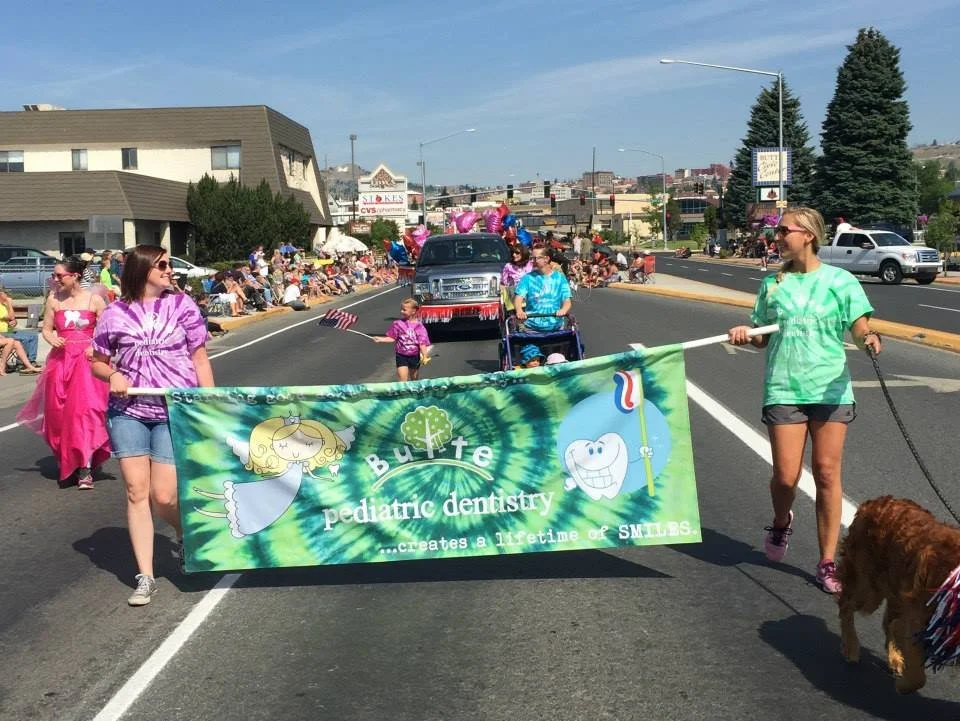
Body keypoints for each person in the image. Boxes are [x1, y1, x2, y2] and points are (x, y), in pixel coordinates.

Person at [727, 207, 881, 595]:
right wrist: (747, 333)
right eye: (776, 232)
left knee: (828, 474)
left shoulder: (840, 282)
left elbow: (861, 328)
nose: (776, 238)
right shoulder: (773, 284)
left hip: (830, 389)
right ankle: (781, 521)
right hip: (784, 388)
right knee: (785, 476)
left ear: (808, 235)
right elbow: (762, 336)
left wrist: (869, 340)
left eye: (783, 231)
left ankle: (827, 561)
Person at [90, 245, 214, 606]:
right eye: (162, 265)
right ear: (143, 269)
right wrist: (112, 373)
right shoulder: (114, 313)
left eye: (169, 264)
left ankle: (183, 533)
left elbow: (200, 360)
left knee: (164, 495)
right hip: (128, 410)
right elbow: (98, 362)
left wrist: (209, 404)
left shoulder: (183, 306)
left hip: (173, 408)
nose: (169, 270)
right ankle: (145, 576)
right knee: (135, 490)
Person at [18, 256, 110, 488]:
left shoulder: (95, 300)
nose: (55, 279)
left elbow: (107, 330)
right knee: (59, 416)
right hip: (61, 363)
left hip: (87, 365)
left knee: (84, 413)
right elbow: (46, 329)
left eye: (60, 275)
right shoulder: (53, 300)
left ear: (75, 276)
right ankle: (69, 458)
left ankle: (85, 468)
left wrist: (94, 345)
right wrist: (52, 338)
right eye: (54, 275)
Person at [514, 248, 573, 332]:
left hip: (555, 327)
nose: (533, 261)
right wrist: (519, 310)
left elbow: (567, 300)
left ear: (546, 259)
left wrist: (563, 310)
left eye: (536, 258)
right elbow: (518, 298)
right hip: (532, 327)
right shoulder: (527, 278)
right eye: (532, 258)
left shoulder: (560, 278)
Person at [373, 298, 433, 381]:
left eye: (404, 310)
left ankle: (413, 392)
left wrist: (425, 355)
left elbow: (422, 343)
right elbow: (392, 337)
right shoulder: (397, 324)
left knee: (414, 378)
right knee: (402, 378)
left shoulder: (419, 327)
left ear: (413, 311)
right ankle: (403, 393)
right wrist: (380, 339)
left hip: (414, 356)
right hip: (401, 355)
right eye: (401, 309)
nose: (401, 311)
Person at [0, 288, 41, 370]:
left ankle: (31, 360)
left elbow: (12, 319)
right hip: (2, 333)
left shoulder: (4, 306)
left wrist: (14, 322)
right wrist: (9, 303)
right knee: (25, 338)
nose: (7, 296)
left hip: (9, 331)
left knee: (33, 335)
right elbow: (11, 316)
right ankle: (21, 363)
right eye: (5, 294)